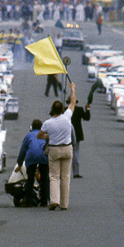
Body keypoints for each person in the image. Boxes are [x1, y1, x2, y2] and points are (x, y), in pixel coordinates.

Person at [37, 82, 77, 210]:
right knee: (65, 177)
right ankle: (64, 203)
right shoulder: (67, 118)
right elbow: (73, 102)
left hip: (54, 149)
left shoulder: (48, 123)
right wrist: (72, 89)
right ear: (62, 110)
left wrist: (49, 136)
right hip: (67, 148)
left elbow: (39, 135)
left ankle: (54, 200)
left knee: (54, 176)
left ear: (52, 110)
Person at [14, 119, 48, 207]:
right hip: (44, 156)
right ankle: (44, 201)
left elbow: (22, 151)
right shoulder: (45, 135)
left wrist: (20, 163)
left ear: (31, 127)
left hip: (31, 157)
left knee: (30, 179)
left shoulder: (28, 136)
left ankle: (28, 201)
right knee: (44, 179)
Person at [69, 98, 90, 178]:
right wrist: (87, 109)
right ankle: (76, 172)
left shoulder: (64, 110)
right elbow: (87, 118)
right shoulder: (79, 109)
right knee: (76, 153)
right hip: (77, 134)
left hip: (66, 134)